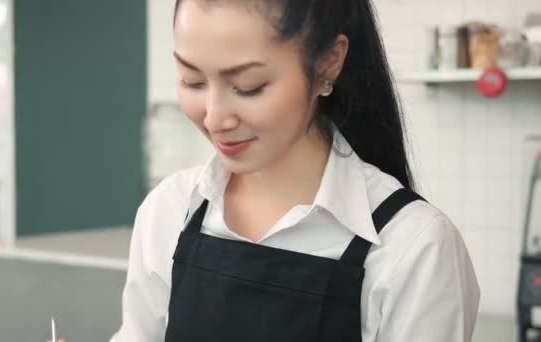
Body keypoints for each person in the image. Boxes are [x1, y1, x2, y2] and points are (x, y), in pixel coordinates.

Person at [111, 0, 480, 341]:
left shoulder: (414, 247)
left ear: (328, 62)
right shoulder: (171, 209)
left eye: (247, 87)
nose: (214, 118)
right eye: (192, 81)